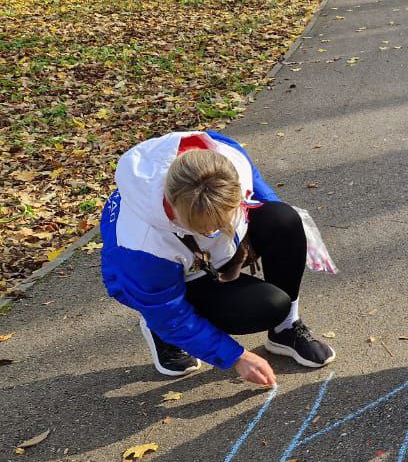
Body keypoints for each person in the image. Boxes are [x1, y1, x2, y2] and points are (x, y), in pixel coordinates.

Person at [100, 131, 336, 388]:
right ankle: (159, 331)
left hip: (215, 252)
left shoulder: (227, 156)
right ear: (174, 210)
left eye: (222, 221)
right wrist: (236, 356)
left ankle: (286, 329)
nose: (211, 231)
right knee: (268, 306)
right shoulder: (141, 246)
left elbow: (265, 202)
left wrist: (285, 238)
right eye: (202, 228)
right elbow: (166, 310)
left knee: (283, 218)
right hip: (172, 278)